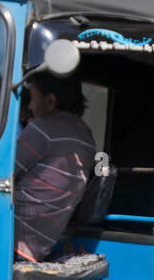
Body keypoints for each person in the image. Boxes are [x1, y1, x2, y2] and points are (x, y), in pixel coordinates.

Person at [8, 72, 97, 261]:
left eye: (32, 98)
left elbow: (2, 174)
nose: (30, 106)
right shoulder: (87, 136)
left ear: (50, 101)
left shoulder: (42, 129)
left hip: (12, 240)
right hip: (41, 245)